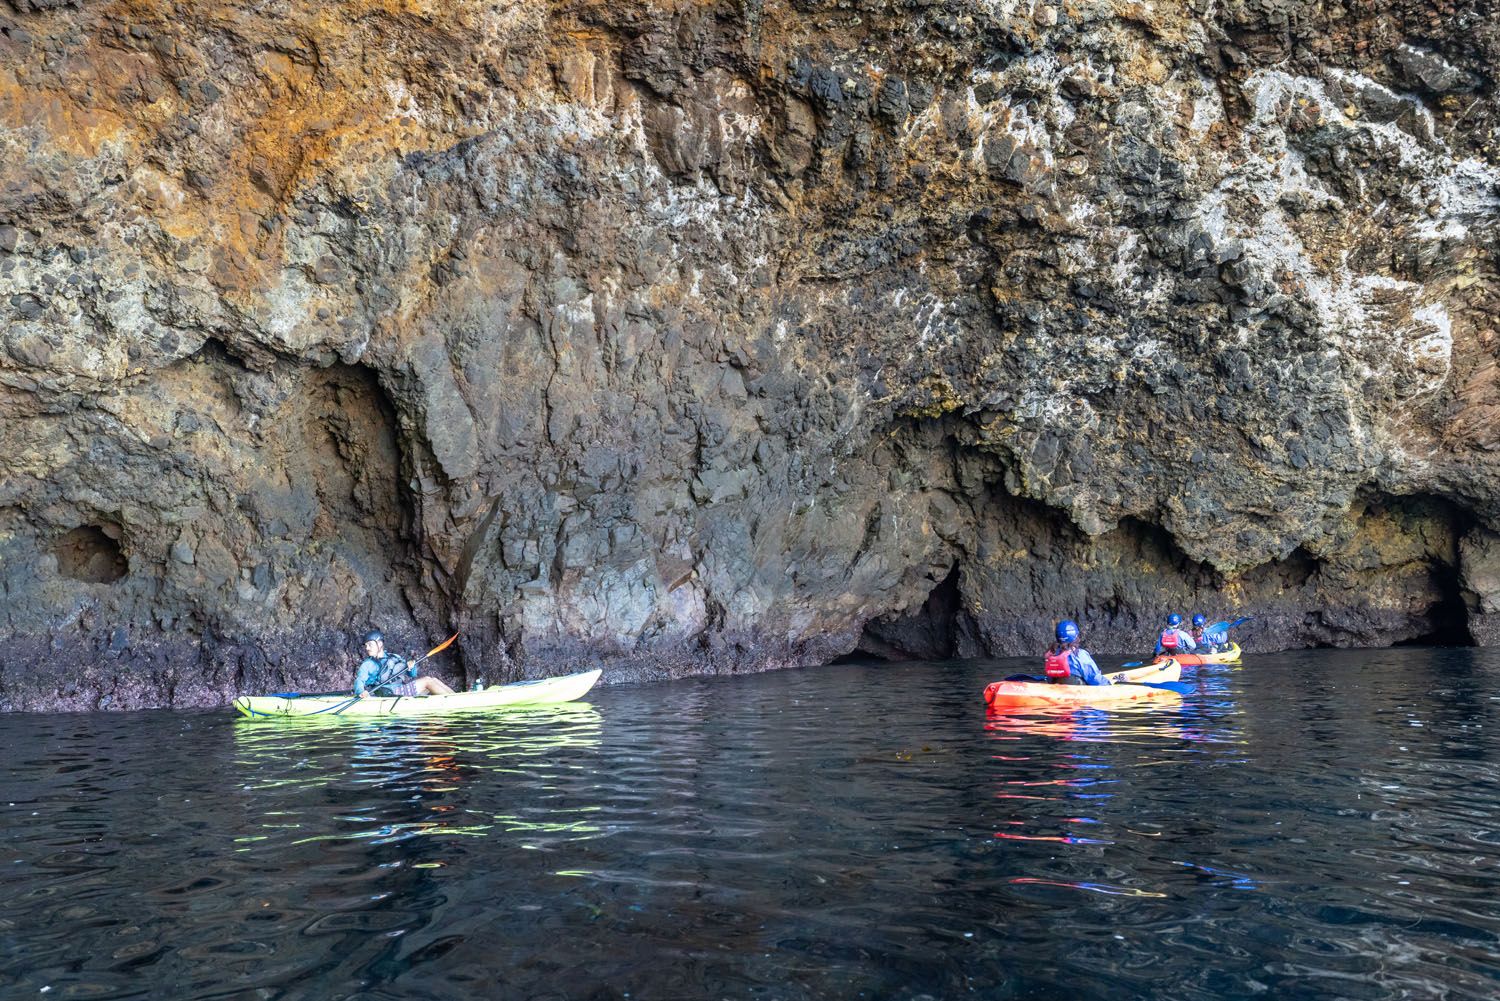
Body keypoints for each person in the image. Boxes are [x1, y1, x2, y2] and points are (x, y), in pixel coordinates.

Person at [354, 630, 454, 698]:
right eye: (366, 645)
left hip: (399, 690)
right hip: (389, 694)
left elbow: (412, 674)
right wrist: (361, 692)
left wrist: (411, 666)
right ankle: (455, 701)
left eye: (370, 644)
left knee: (433, 680)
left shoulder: (394, 657)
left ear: (379, 644)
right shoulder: (367, 664)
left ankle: (455, 697)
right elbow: (359, 680)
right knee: (427, 681)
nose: (367, 648)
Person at [1043, 619, 1111, 686]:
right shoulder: (1080, 655)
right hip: (1077, 692)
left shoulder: (1051, 653)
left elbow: (1049, 678)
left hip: (1056, 689)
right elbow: (1094, 679)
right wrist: (1108, 685)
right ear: (1075, 636)